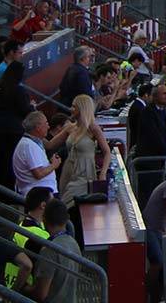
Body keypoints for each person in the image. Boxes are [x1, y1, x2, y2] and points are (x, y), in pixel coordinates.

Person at [55, 93, 110, 235]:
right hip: (68, 172)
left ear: (82, 108)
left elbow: (107, 152)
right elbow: (50, 144)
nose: (71, 109)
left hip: (85, 175)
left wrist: (103, 172)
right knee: (66, 207)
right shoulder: (70, 128)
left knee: (72, 208)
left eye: (74, 106)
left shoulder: (93, 129)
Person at [0, 58, 35, 188]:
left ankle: (0, 191)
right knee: (11, 163)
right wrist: (32, 106)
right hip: (13, 131)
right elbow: (25, 110)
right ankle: (10, 192)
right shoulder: (19, 91)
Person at [35, 196, 83, 303]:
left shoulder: (49, 250)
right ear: (66, 219)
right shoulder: (73, 243)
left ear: (44, 219)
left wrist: (25, 288)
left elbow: (41, 295)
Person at [127, 81, 166, 186]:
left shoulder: (164, 111)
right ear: (155, 96)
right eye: (164, 94)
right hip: (148, 161)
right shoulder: (147, 112)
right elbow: (154, 136)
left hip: (159, 160)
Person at [12, 109, 59, 201]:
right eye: (46, 123)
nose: (48, 127)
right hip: (40, 196)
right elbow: (38, 174)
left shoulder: (31, 143)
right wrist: (54, 165)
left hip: (43, 192)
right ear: (38, 127)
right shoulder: (29, 146)